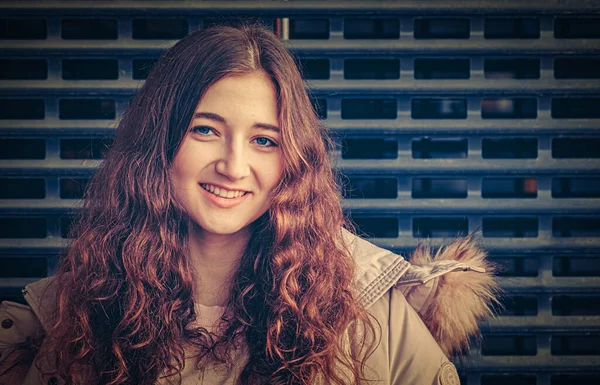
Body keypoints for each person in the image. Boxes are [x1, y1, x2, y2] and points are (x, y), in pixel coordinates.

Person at [0, 24, 500, 385]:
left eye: (264, 141)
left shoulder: (373, 309)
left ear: (293, 160)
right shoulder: (75, 312)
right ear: (159, 142)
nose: (233, 166)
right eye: (206, 131)